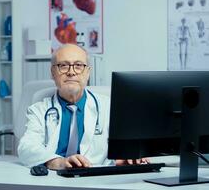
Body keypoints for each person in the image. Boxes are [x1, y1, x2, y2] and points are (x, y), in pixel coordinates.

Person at [18, 44, 148, 170]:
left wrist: (125, 157)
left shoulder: (109, 107)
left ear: (88, 73)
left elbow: (122, 148)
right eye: (63, 66)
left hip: (96, 179)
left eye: (78, 65)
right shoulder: (38, 110)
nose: (71, 72)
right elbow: (27, 148)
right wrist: (58, 162)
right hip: (53, 179)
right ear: (53, 72)